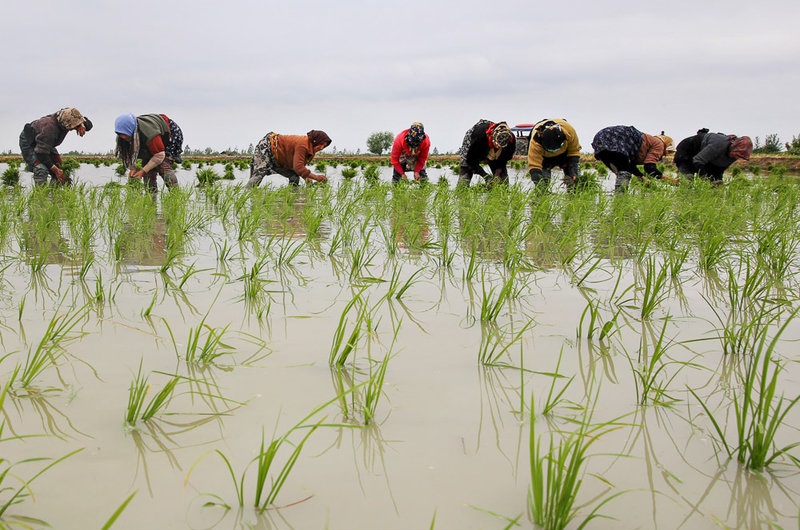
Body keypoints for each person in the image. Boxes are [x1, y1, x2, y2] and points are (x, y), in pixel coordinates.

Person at [19, 107, 92, 186]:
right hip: (29, 141)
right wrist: (55, 170)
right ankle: (40, 195)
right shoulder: (50, 128)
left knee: (60, 167)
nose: (72, 129)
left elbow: (89, 126)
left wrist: (81, 125)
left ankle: (54, 194)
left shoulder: (70, 114)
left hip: (45, 142)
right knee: (41, 169)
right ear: (65, 125)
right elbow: (41, 153)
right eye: (72, 127)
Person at [591, 126, 674, 192]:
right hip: (615, 139)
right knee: (624, 174)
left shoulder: (643, 145)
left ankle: (619, 203)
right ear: (666, 145)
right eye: (668, 151)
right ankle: (621, 202)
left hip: (600, 141)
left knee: (622, 172)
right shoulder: (659, 144)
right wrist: (672, 180)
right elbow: (649, 168)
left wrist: (642, 177)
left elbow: (628, 165)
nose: (666, 155)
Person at [114, 113, 184, 191]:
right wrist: (132, 168)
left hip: (169, 133)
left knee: (163, 164)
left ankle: (175, 193)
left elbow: (159, 155)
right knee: (147, 165)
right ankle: (151, 197)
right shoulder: (122, 136)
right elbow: (126, 154)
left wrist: (143, 171)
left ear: (131, 129)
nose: (123, 137)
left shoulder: (149, 133)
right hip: (149, 140)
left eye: (125, 134)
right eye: (120, 134)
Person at [246, 130, 331, 187]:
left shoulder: (311, 150)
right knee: (259, 175)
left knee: (294, 176)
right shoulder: (303, 145)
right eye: (321, 144)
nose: (322, 148)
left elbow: (299, 166)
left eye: (324, 146)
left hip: (280, 158)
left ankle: (292, 198)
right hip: (268, 147)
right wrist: (316, 177)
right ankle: (246, 195)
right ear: (316, 141)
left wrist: (307, 178)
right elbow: (299, 168)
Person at [673, 129, 753, 183]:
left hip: (704, 157)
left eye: (740, 157)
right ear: (734, 147)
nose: (737, 157)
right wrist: (706, 179)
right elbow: (698, 161)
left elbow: (719, 170)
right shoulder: (719, 144)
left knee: (714, 185)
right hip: (687, 152)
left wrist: (718, 181)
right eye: (737, 154)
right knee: (688, 179)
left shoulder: (733, 156)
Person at [527, 118, 581, 189]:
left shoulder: (569, 132)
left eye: (556, 149)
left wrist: (573, 170)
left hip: (565, 155)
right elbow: (534, 166)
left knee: (574, 182)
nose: (554, 151)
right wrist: (538, 181)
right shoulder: (535, 143)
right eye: (551, 149)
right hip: (545, 158)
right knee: (543, 184)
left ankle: (573, 196)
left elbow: (574, 151)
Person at [458, 120, 516, 186]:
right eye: (496, 144)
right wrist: (486, 176)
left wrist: (497, 174)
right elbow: (471, 160)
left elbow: (503, 160)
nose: (497, 146)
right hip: (474, 147)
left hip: (494, 154)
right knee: (465, 177)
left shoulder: (511, 141)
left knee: (502, 180)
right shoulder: (480, 137)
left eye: (500, 147)